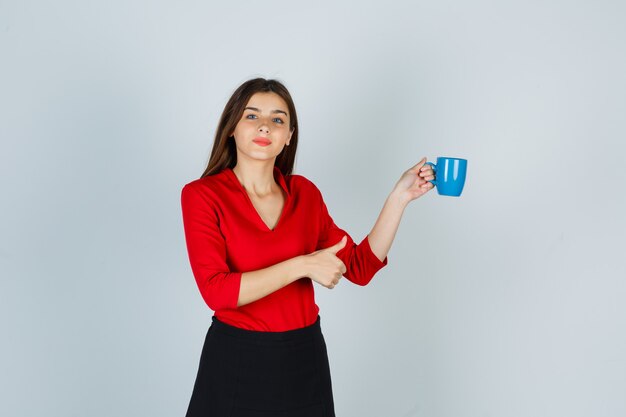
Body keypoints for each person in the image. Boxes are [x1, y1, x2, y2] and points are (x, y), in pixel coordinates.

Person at [181, 78, 435, 417]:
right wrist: (301, 266)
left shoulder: (305, 195)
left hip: (303, 358)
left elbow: (359, 267)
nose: (266, 127)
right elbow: (217, 291)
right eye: (252, 116)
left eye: (278, 119)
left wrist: (399, 197)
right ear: (232, 128)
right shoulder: (202, 195)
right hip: (236, 359)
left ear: (288, 136)